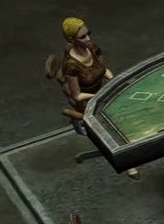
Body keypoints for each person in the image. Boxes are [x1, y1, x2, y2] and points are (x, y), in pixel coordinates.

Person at [54, 17, 138, 178]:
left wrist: (114, 81)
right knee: (115, 124)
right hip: (86, 101)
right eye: (83, 37)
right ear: (71, 39)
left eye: (88, 34)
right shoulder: (71, 65)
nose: (88, 39)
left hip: (100, 92)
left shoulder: (92, 48)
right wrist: (99, 96)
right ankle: (128, 164)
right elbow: (77, 96)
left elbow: (103, 70)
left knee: (129, 107)